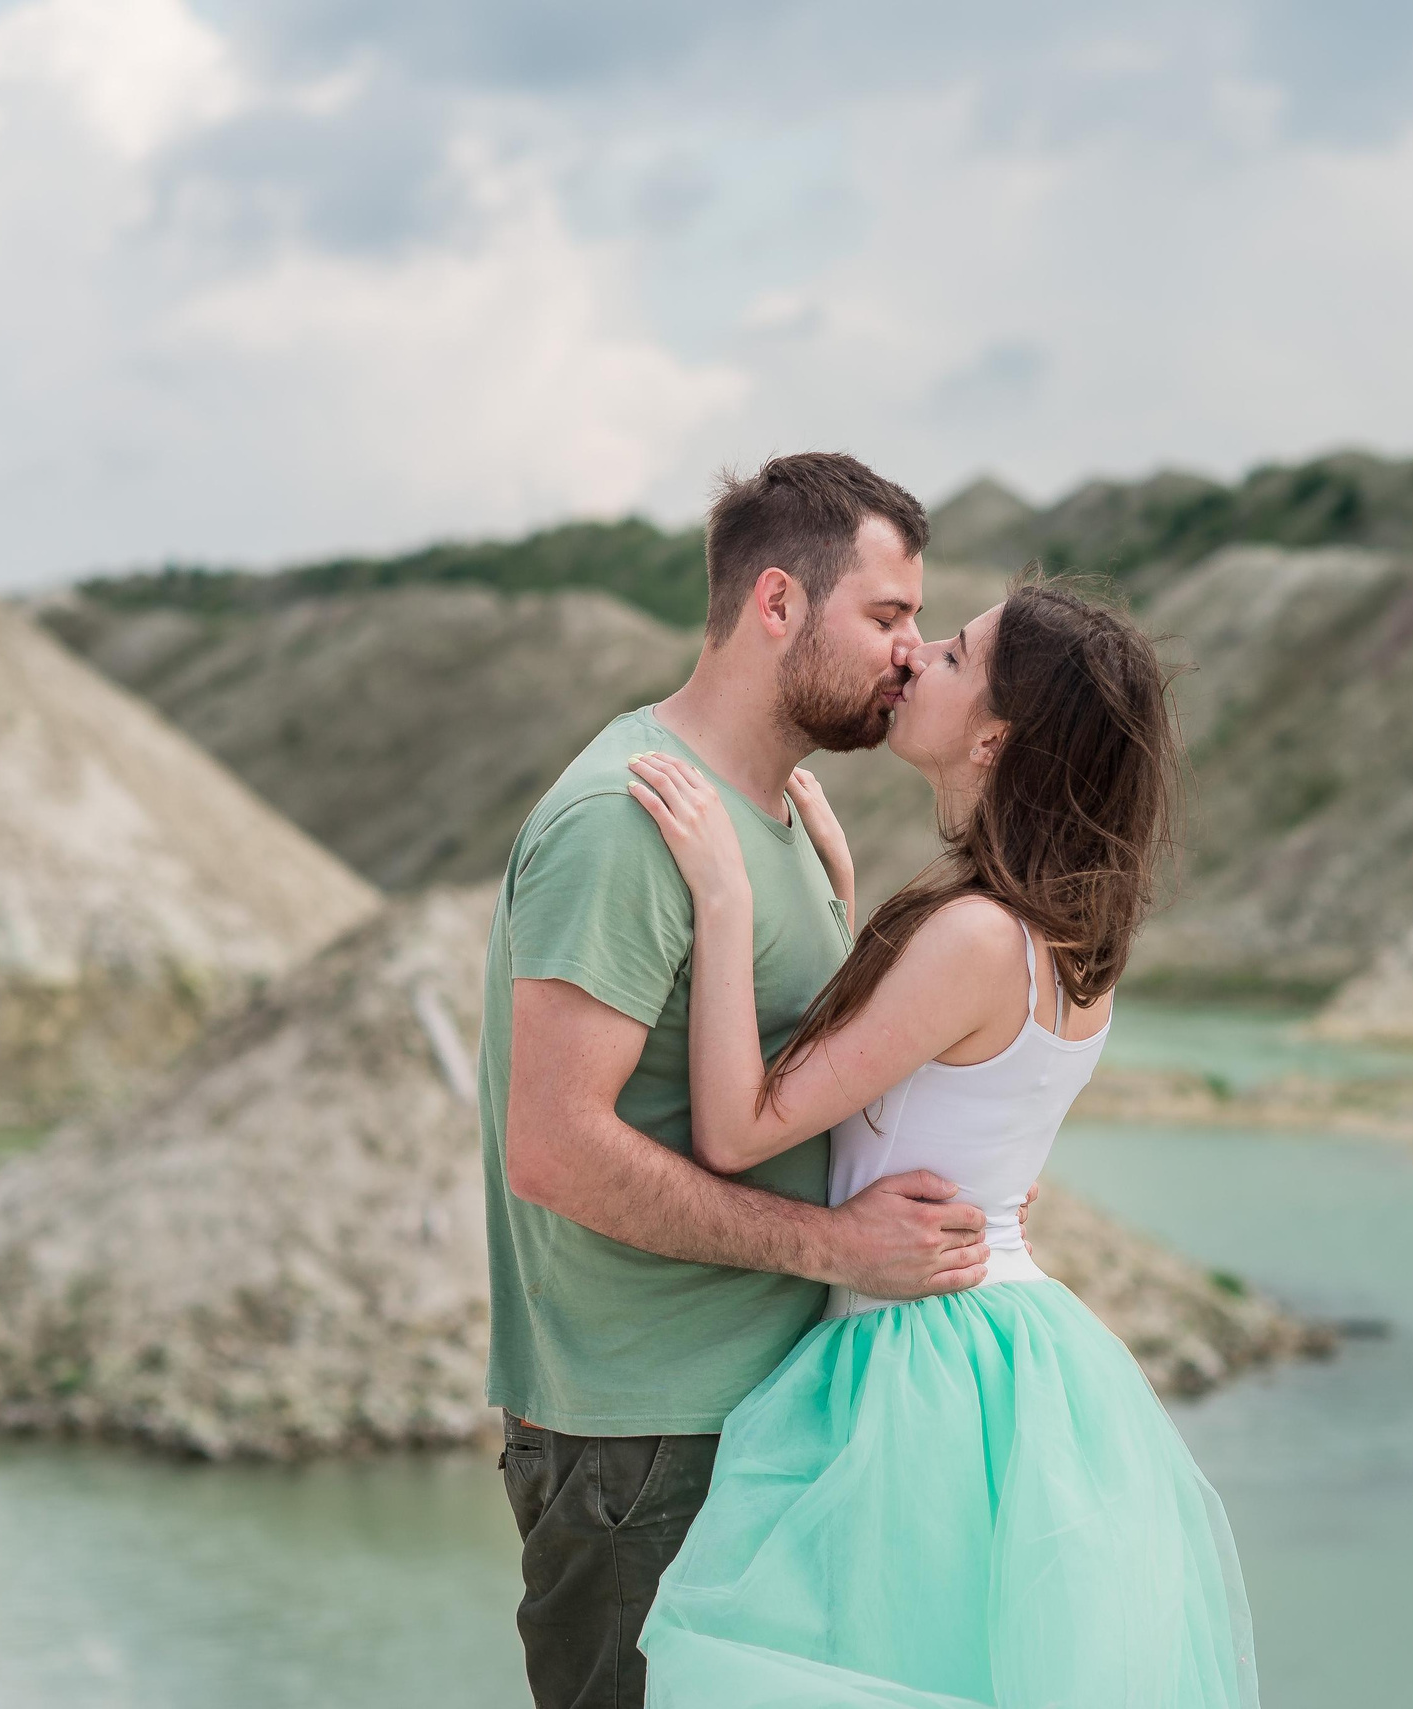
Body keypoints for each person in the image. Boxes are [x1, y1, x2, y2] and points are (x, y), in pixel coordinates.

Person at [624, 580, 1259, 1706]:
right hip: (1011, 1344)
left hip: (920, 1354)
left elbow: (735, 1127)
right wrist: (842, 899)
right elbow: (927, 1090)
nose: (916, 656)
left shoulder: (972, 934)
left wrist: (723, 899)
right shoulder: (1059, 937)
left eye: (956, 657)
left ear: (994, 735)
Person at [481, 453, 1005, 1709]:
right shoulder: (626, 818)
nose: (908, 652)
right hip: (642, 1448)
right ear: (776, 604)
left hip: (745, 1423)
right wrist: (836, 1246)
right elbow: (552, 1146)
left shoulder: (763, 815)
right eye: (885, 617)